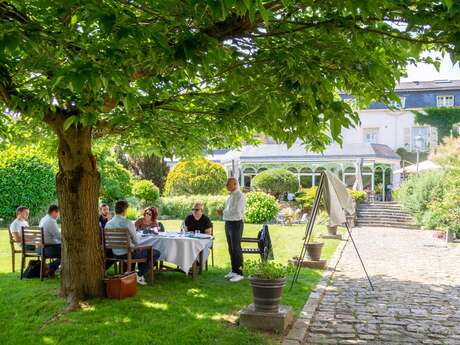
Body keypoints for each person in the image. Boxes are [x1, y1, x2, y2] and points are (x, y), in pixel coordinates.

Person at [105, 200, 160, 285]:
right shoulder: (127, 223)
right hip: (128, 253)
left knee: (142, 251)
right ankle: (139, 275)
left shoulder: (108, 224)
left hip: (115, 253)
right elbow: (136, 241)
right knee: (155, 253)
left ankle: (135, 274)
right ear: (125, 210)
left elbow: (108, 241)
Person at [223, 177, 246, 283]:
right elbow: (228, 210)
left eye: (228, 184)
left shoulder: (239, 196)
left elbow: (237, 211)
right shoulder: (230, 196)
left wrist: (224, 213)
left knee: (236, 248)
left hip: (236, 223)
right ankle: (234, 270)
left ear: (235, 184)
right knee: (231, 248)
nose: (226, 185)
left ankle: (240, 273)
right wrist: (224, 213)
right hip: (228, 222)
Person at [38, 204, 61, 275]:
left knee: (64, 248)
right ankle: (50, 267)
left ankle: (51, 267)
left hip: (40, 249)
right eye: (58, 213)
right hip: (47, 249)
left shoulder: (44, 218)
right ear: (54, 212)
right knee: (68, 250)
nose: (58, 216)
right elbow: (58, 236)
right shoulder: (51, 221)